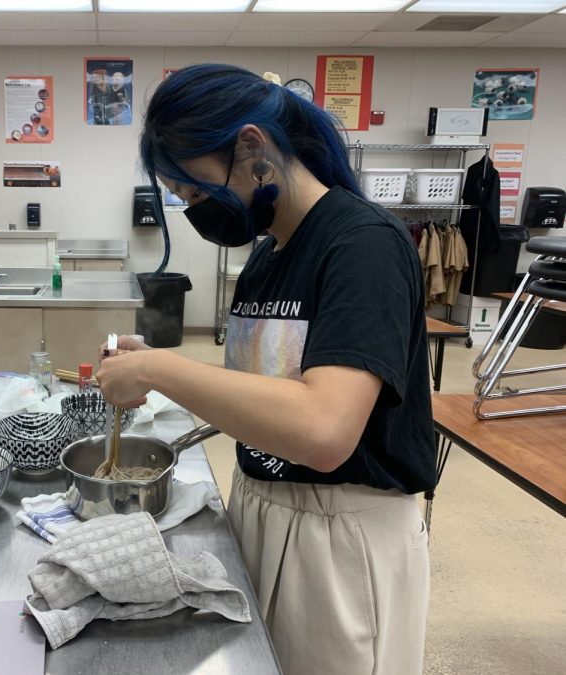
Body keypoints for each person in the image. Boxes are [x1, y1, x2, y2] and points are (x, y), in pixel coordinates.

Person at [95, 63, 436, 675]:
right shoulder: (268, 254)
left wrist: (161, 373)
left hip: (338, 540)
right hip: (260, 508)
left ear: (252, 147)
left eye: (199, 192)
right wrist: (148, 362)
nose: (199, 210)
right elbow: (268, 389)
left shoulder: (363, 246)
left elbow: (322, 430)